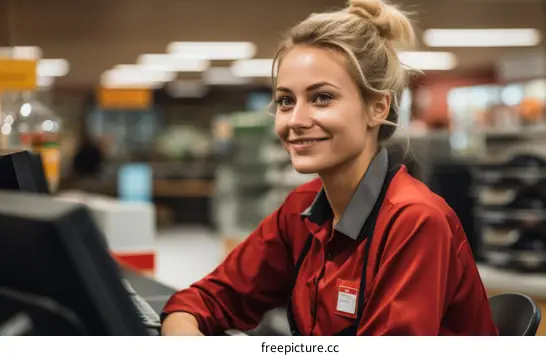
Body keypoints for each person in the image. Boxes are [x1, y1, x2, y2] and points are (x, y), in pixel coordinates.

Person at [160, 0, 498, 336]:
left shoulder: (415, 221)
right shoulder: (300, 212)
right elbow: (202, 300)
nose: (296, 120)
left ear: (377, 107)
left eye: (322, 98)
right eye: (285, 101)